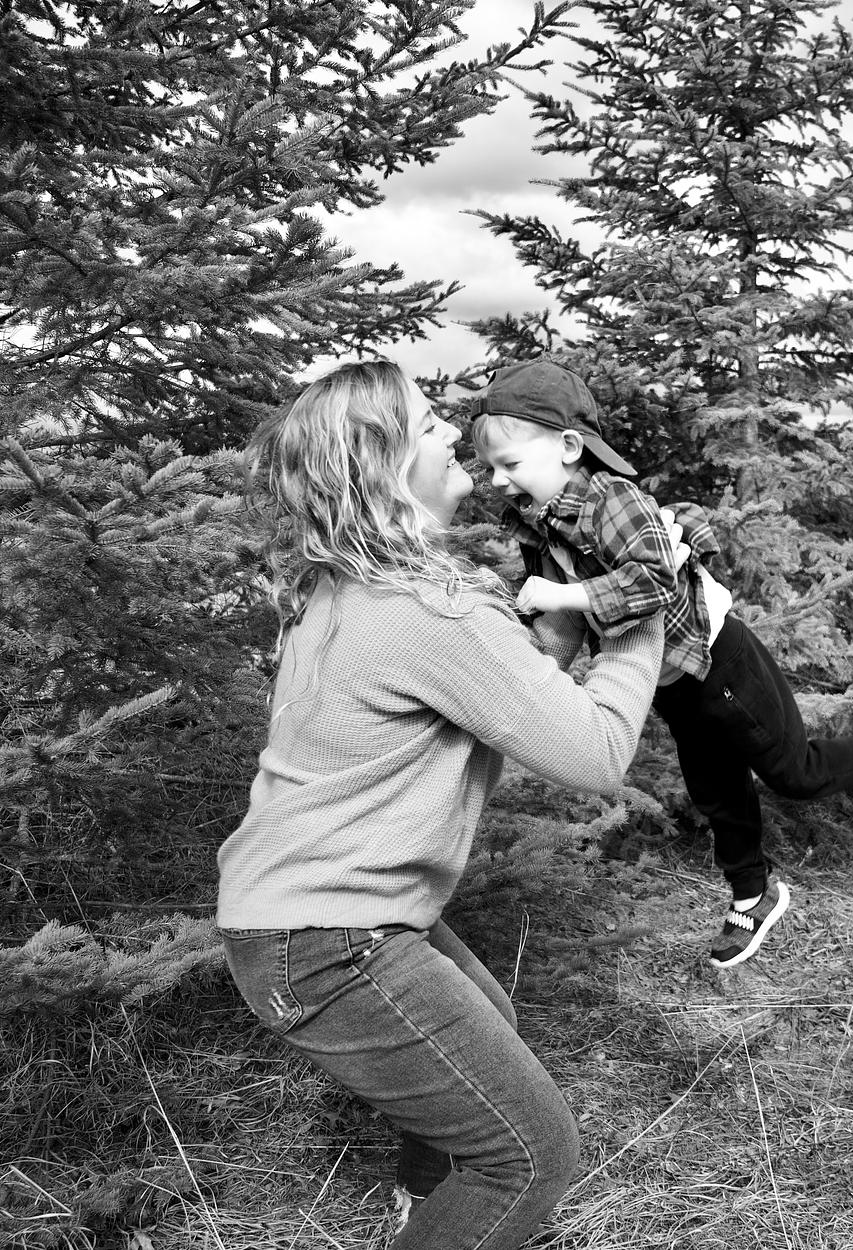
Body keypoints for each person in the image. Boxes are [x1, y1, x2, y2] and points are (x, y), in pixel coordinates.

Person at [215, 359, 666, 1250]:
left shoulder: (349, 589)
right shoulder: (430, 611)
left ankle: (428, 1217)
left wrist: (574, 613)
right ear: (386, 468)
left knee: (488, 1030)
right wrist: (646, 608)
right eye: (428, 424)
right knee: (529, 1156)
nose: (455, 431)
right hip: (327, 938)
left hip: (303, 917)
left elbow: (502, 685)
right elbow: (596, 752)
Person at [470, 358, 853, 970]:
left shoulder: (611, 500)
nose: (498, 481)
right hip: (672, 683)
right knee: (716, 792)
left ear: (570, 448)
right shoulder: (540, 522)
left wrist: (562, 594)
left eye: (510, 464)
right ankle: (754, 895)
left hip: (718, 663)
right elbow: (562, 619)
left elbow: (652, 581)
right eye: (490, 468)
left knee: (797, 774)